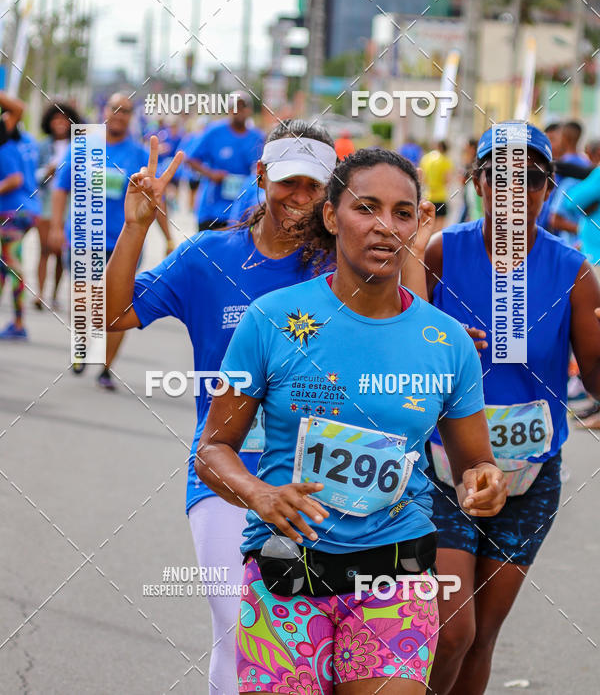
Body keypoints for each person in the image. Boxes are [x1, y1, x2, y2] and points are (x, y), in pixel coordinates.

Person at [195, 148, 506, 693]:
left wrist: (485, 480)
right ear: (332, 216)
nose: (386, 226)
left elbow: (474, 461)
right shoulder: (271, 320)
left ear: (417, 223)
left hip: (397, 569)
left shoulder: (447, 341)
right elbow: (213, 449)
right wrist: (260, 494)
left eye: (403, 212)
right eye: (367, 208)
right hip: (286, 568)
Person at [105, 120, 339, 695]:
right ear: (261, 176)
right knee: (242, 631)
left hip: (326, 481)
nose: (301, 198)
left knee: (313, 651)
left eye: (316, 186)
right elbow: (106, 320)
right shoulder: (208, 257)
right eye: (290, 182)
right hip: (227, 473)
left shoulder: (343, 265)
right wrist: (135, 228)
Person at [409, 122, 600, 695]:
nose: (518, 193)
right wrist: (441, 345)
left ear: (548, 189)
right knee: (451, 631)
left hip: (530, 475)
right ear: (480, 183)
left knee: (483, 637)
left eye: (534, 180)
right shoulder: (443, 251)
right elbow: (402, 341)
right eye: (502, 178)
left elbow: (594, 375)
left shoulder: (574, 272)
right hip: (446, 467)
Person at [50, 92, 173, 388]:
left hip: (122, 243)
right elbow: (60, 188)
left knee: (119, 306)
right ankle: (81, 348)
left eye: (126, 111)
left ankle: (106, 367)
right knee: (84, 299)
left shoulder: (139, 154)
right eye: (114, 109)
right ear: (104, 111)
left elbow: (155, 199)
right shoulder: (83, 146)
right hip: (83, 238)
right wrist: (55, 226)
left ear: (132, 116)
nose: (119, 115)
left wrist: (168, 237)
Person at [186, 91, 265, 230]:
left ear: (250, 110)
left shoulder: (258, 137)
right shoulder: (214, 132)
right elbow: (189, 158)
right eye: (235, 107)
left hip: (243, 212)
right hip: (212, 210)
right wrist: (211, 174)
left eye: (244, 106)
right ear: (229, 109)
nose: (240, 111)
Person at [34, 102, 82, 311]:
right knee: (44, 249)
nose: (60, 123)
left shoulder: (79, 146)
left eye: (64, 119)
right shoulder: (43, 146)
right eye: (56, 119)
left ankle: (54, 294)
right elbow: (33, 175)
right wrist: (47, 172)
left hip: (70, 203)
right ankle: (40, 293)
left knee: (61, 251)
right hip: (45, 202)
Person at [0, 126, 41, 339]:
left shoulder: (5, 148)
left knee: (11, 263)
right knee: (4, 264)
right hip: (24, 210)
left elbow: (16, 179)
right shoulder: (24, 142)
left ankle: (18, 323)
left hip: (12, 213)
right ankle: (17, 322)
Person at [420, 140, 453, 232]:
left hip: (428, 196)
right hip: (440, 197)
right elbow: (447, 180)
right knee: (439, 230)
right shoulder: (445, 160)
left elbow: (423, 179)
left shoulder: (425, 158)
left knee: (427, 227)